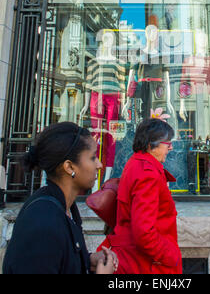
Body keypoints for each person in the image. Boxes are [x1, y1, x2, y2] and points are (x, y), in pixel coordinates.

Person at [2, 122, 118, 275]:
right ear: (69, 167)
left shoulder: (66, 208)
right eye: (92, 158)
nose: (99, 164)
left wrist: (87, 261)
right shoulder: (43, 223)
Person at [98, 118, 182, 274]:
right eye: (167, 144)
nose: (170, 148)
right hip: (145, 263)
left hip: (134, 256)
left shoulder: (137, 162)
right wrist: (170, 255)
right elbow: (144, 232)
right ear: (151, 145)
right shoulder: (147, 173)